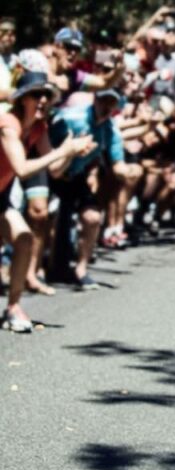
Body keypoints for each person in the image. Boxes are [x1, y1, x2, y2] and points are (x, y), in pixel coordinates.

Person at [0, 72, 95, 331]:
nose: (42, 99)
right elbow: (21, 168)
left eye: (46, 95)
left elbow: (54, 169)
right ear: (22, 99)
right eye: (35, 94)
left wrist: (71, 152)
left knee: (24, 239)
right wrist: (63, 152)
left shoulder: (39, 127)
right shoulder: (8, 124)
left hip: (1, 194)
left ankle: (13, 308)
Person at [49, 88, 125, 289]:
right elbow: (46, 141)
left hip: (77, 176)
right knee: (46, 217)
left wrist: (130, 171)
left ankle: (81, 269)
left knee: (92, 217)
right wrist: (69, 151)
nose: (106, 106)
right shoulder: (71, 117)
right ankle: (40, 269)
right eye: (103, 100)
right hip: (53, 172)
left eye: (111, 102)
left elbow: (117, 163)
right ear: (95, 100)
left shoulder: (111, 129)